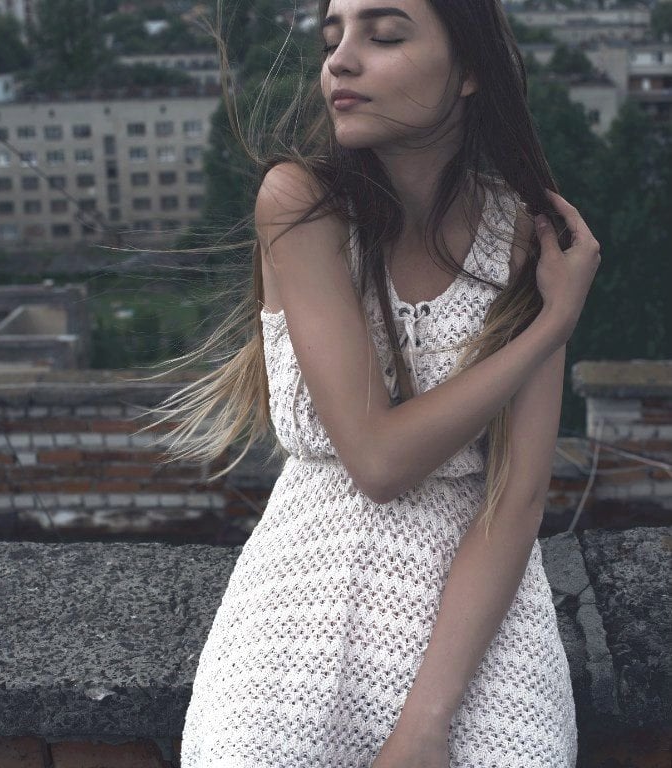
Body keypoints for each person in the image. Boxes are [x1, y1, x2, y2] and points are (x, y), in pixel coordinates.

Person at [166, 0, 600, 765]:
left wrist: (426, 723)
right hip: (306, 594)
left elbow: (516, 499)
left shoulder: (525, 237)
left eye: (385, 35)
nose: (340, 60)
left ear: (468, 70)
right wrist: (549, 328)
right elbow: (378, 461)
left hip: (479, 612)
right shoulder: (301, 204)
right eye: (332, 37)